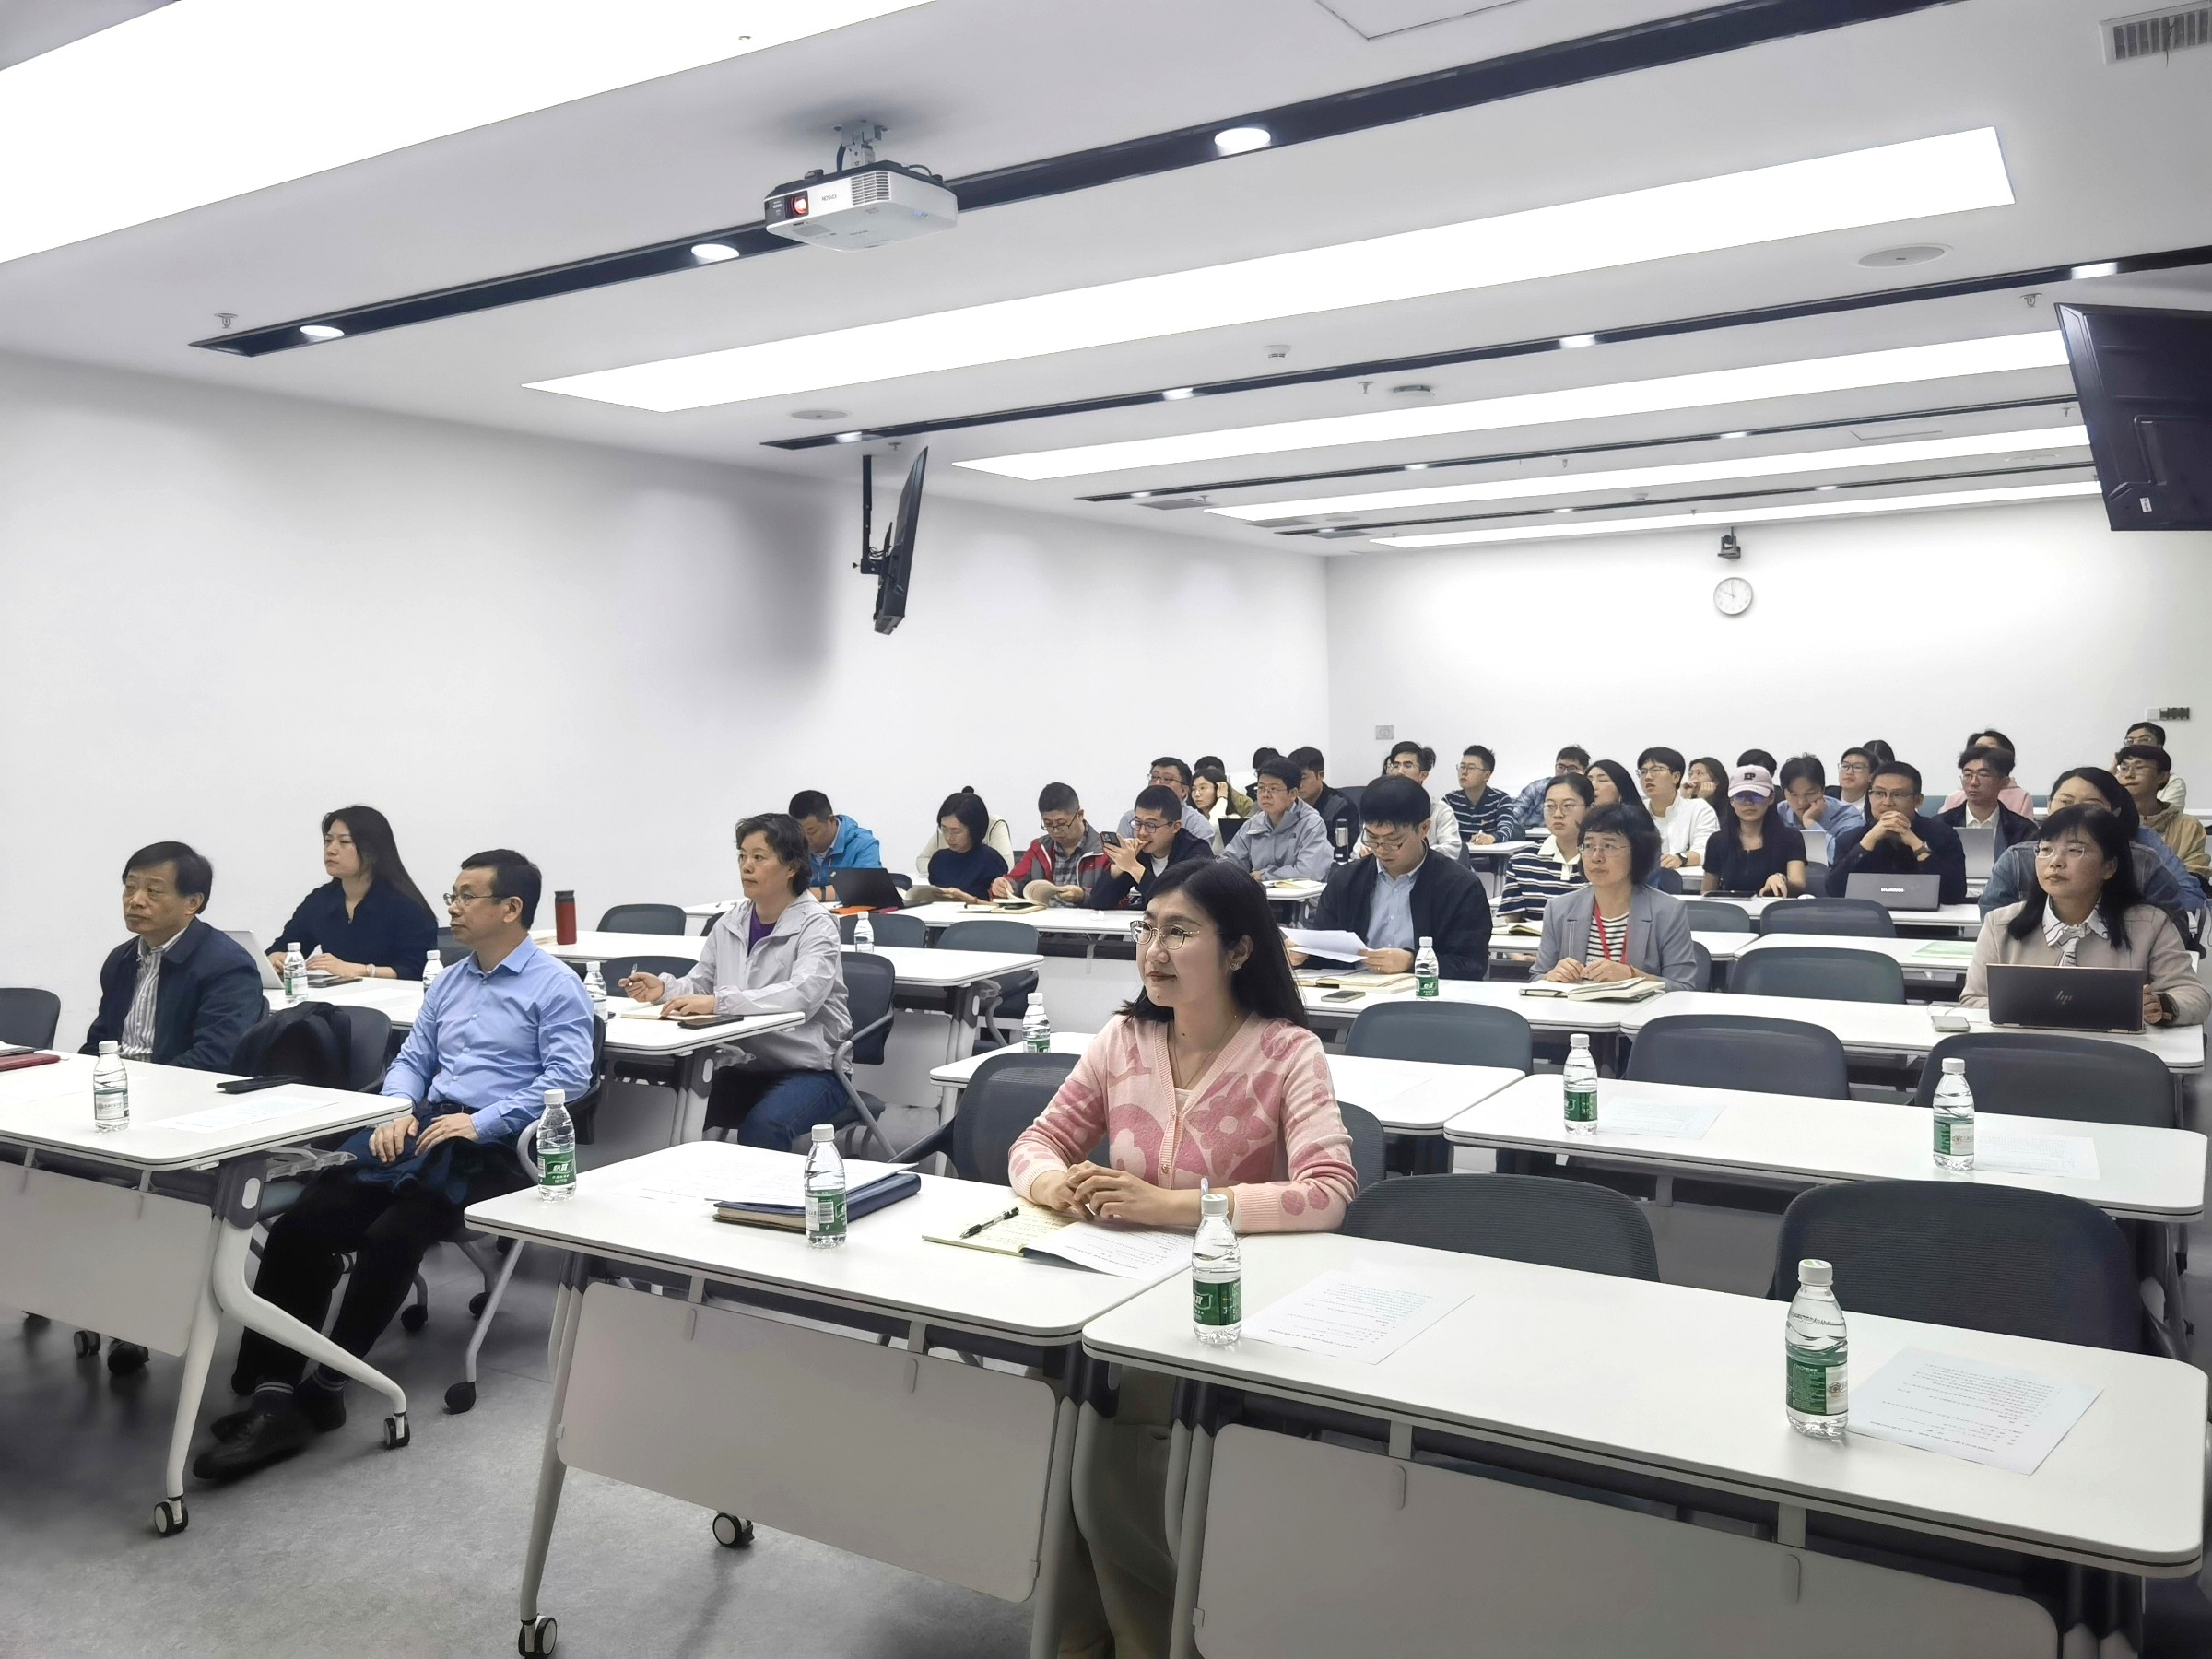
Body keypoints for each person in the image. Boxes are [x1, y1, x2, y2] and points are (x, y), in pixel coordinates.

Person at [1009, 858, 1356, 1658]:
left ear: (1238, 950)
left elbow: (1329, 1191)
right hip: (1109, 1287)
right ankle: (1077, 1634)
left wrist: (1175, 1208)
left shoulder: (1287, 1053)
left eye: (1179, 932)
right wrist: (1058, 1183)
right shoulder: (1124, 1040)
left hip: (1220, 1304)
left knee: (1114, 1454)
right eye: (1147, 929)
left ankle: (1155, 1638)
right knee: (1042, 1418)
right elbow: (1038, 1140)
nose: (1154, 951)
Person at [194, 850, 593, 1481]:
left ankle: (327, 1386)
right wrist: (398, 1109)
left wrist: (482, 1121)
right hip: (426, 1127)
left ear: (510, 908)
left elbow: (568, 1077)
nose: (453, 907)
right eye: (453, 895)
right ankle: (273, 1393)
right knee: (304, 1224)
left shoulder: (554, 985)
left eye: (467, 896)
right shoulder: (452, 980)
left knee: (392, 1234)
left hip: (496, 1149)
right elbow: (413, 1058)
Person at [624, 814, 853, 1147]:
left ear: (791, 867)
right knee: (670, 1111)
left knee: (765, 1125)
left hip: (813, 1070)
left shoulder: (817, 925)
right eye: (742, 856)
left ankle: (762, 1186)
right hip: (746, 1065)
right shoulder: (731, 922)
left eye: (759, 857)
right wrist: (665, 990)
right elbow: (701, 984)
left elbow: (802, 995)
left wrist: (720, 1003)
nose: (746, 866)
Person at [1959, 805, 2208, 1026]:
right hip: (2026, 1051)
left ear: (2109, 866)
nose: (2055, 861)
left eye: (2074, 850)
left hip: (2114, 1055)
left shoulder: (2150, 924)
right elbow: (1973, 999)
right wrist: (2036, 1012)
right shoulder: (2001, 923)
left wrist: (2163, 1005)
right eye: (2045, 849)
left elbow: (2193, 995)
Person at [83, 841, 264, 1072]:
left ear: (192, 903)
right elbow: (99, 1043)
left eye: (153, 891)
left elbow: (216, 1056)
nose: (135, 901)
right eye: (130, 887)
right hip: (122, 1082)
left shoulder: (228, 965)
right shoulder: (121, 959)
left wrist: (147, 1083)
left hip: (182, 1085)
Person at [1294, 776, 1492, 978]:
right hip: (1355, 986)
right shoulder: (1345, 880)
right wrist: (1303, 954)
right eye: (1372, 837)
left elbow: (1472, 964)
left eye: (1393, 840)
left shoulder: (1460, 886)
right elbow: (1326, 950)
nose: (1381, 849)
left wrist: (1412, 962)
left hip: (1425, 991)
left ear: (1424, 828)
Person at [1979, 767, 2202, 919]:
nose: (2076, 811)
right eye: (2065, 801)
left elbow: (2173, 924)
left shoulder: (2143, 862)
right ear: (2049, 806)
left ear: (2115, 812)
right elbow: (1992, 918)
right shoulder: (2017, 859)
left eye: (2091, 804)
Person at [1534, 805, 1701, 990]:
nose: (1596, 857)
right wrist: (1551, 977)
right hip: (1575, 1008)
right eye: (1588, 846)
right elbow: (1536, 978)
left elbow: (1684, 988)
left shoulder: (1668, 912)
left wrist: (1633, 976)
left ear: (1637, 852)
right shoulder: (1559, 909)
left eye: (1609, 846)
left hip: (1642, 1009)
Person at [265, 806, 438, 982]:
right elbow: (287, 946)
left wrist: (363, 970)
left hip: (396, 995)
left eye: (344, 842)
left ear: (372, 851)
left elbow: (418, 970)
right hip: (338, 995)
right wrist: (275, 958)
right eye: (328, 840)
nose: (331, 850)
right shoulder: (321, 901)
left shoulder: (406, 905)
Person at [1825, 760, 1968, 904]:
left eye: (1898, 794)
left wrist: (1917, 846)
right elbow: (1834, 891)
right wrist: (1866, 843)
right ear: (1870, 797)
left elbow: (1955, 894)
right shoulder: (1851, 838)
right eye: (1879, 793)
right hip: (1870, 916)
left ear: (1918, 800)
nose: (1887, 802)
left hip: (1928, 918)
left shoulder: (1943, 835)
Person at [1090, 786, 1213, 910]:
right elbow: (1099, 902)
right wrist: (1118, 868)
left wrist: (1133, 867)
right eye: (1138, 823)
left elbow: (1174, 904)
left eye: (1151, 825)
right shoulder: (1139, 853)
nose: (1142, 832)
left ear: (1175, 827)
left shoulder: (1197, 852)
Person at [1500, 772, 1596, 925]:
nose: (1557, 814)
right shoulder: (1522, 861)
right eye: (1550, 806)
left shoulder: (1600, 860)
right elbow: (1510, 923)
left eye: (1568, 806)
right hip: (1533, 942)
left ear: (1590, 809)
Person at [1701, 765, 1808, 898]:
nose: (1748, 803)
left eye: (1757, 796)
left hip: (1775, 908)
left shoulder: (1791, 838)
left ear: (1771, 798)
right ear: (1732, 801)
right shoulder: (1717, 841)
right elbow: (1707, 893)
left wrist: (1781, 879)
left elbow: (1798, 884)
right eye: (1740, 796)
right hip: (1732, 908)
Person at [1222, 755, 1333, 882]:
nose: (1265, 795)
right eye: (1261, 788)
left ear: (1293, 794)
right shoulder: (1254, 823)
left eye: (1273, 789)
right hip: (1262, 892)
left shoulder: (1311, 823)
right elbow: (1229, 859)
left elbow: (1309, 872)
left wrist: (1264, 876)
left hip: (1302, 894)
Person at [996, 782, 1111, 905]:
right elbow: (1014, 880)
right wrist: (1003, 885)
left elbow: (1118, 900)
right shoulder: (1039, 848)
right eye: (1048, 824)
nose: (1055, 831)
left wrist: (1083, 896)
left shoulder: (1106, 850)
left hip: (1091, 917)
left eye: (1062, 823)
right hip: (1046, 916)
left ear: (1080, 815)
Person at [2115, 743, 2210, 882]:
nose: (2129, 775)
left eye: (2139, 768)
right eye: (2124, 768)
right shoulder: (2110, 820)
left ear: (2162, 776)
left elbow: (2195, 874)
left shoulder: (2187, 826)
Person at [1937, 745, 2039, 853]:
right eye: (1967, 775)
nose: (1973, 782)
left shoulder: (2024, 830)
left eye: (1983, 775)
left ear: (2003, 782)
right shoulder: (1940, 825)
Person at [918, 788, 1008, 903]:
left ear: (974, 829)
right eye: (944, 829)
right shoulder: (938, 860)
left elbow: (1002, 906)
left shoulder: (990, 859)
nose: (949, 837)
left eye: (956, 831)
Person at [790, 790, 881, 899]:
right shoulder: (793, 846)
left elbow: (868, 888)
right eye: (799, 832)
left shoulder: (862, 844)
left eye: (811, 831)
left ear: (831, 820)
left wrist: (810, 895)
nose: (804, 839)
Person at [1637, 747, 1717, 871]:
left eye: (1656, 770)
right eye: (1643, 772)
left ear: (1676, 777)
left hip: (1688, 881)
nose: (1647, 777)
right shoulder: (1635, 812)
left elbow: (1707, 849)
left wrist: (1681, 858)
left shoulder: (1699, 809)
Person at [1382, 742, 1464, 855]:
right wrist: (1365, 851)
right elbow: (1360, 848)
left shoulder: (1440, 810)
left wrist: (1415, 853)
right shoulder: (1381, 807)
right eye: (1396, 766)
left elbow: (1452, 849)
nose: (1400, 772)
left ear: (1423, 775)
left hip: (1429, 866)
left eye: (1407, 766)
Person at [1776, 754, 1865, 854]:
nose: (1802, 802)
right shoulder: (1777, 813)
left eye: (1810, 794)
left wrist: (1810, 823)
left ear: (1822, 790)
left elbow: (1842, 857)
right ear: (1784, 792)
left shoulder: (1847, 816)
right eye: (1794, 795)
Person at [1116, 757, 1214, 844]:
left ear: (1183, 790)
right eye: (1154, 777)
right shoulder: (1130, 818)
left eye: (1167, 779)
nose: (1157, 783)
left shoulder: (1198, 825)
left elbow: (1199, 858)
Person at [1939, 732, 2036, 818]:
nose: (1974, 782)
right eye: (1978, 748)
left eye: (1990, 749)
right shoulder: (1955, 798)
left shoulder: (2021, 798)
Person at [1288, 746, 1361, 856]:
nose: (1298, 784)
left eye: (1303, 778)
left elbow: (1346, 851)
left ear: (1321, 775)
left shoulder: (1341, 806)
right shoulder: (1288, 804)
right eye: (1293, 778)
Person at [1443, 744, 1521, 844]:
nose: (1464, 772)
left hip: (1489, 853)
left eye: (1471, 768)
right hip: (1458, 853)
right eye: (1462, 767)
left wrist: (1492, 837)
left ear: (1486, 775)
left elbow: (1507, 829)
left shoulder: (1500, 800)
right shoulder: (1450, 801)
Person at [1512, 745, 1589, 830]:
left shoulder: (1588, 792)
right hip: (1531, 835)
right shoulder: (1536, 789)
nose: (1565, 772)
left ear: (1584, 771)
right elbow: (1511, 817)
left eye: (1572, 768)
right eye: (1561, 767)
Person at [2128, 721, 2187, 812]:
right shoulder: (2118, 776)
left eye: (2144, 740)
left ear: (2159, 746)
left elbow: (2169, 816)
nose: (2136, 744)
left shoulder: (2172, 782)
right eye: (2130, 741)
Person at [1188, 763, 1252, 843]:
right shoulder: (1191, 818)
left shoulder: (1233, 819)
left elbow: (1212, 829)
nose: (1197, 794)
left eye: (1203, 788)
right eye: (1193, 789)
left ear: (1219, 789)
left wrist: (1222, 799)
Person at [1833, 746, 1877, 814]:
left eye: (1857, 767)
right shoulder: (1825, 798)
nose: (1849, 772)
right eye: (1845, 766)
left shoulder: (1875, 805)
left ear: (1871, 777)